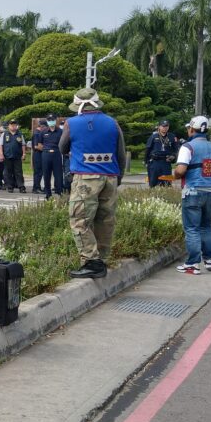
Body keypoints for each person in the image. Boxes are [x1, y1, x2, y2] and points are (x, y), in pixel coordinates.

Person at [60, 88, 127, 279]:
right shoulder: (113, 123)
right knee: (105, 219)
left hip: (85, 178)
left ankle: (91, 261)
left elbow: (62, 147)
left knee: (79, 220)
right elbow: (121, 153)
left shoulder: (71, 123)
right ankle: (102, 259)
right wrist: (118, 176)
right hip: (110, 178)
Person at [175, 115, 211, 274]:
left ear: (192, 129)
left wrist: (175, 174)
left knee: (192, 228)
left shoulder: (187, 147)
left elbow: (181, 170)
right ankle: (210, 260)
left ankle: (193, 263)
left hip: (193, 191)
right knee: (206, 226)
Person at [144, 120, 178, 188]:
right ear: (159, 127)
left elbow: (176, 149)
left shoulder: (172, 136)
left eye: (166, 126)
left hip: (166, 162)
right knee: (153, 183)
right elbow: (148, 149)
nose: (165, 128)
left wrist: (173, 156)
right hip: (155, 162)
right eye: (163, 126)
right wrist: (146, 161)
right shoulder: (154, 136)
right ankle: (153, 197)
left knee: (167, 183)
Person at [38, 114, 64, 199]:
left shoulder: (60, 131)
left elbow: (64, 143)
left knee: (58, 175)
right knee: (46, 174)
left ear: (55, 120)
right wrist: (46, 150)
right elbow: (40, 144)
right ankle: (48, 194)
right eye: (49, 120)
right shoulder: (43, 131)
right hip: (46, 154)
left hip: (56, 154)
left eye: (52, 119)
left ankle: (60, 193)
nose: (51, 121)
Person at [0, 119, 27, 193]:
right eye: (12, 125)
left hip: (17, 156)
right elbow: (0, 145)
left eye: (15, 125)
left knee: (19, 172)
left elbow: (23, 145)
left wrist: (24, 154)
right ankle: (10, 186)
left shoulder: (20, 134)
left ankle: (21, 186)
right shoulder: (4, 134)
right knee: (8, 172)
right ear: (9, 126)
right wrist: (1, 154)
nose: (13, 126)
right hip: (7, 156)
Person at [30, 120, 48, 194]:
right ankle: (36, 188)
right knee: (38, 172)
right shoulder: (37, 133)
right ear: (42, 126)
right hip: (38, 154)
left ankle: (37, 187)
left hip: (40, 154)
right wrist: (47, 148)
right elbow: (36, 146)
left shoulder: (39, 133)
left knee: (40, 172)